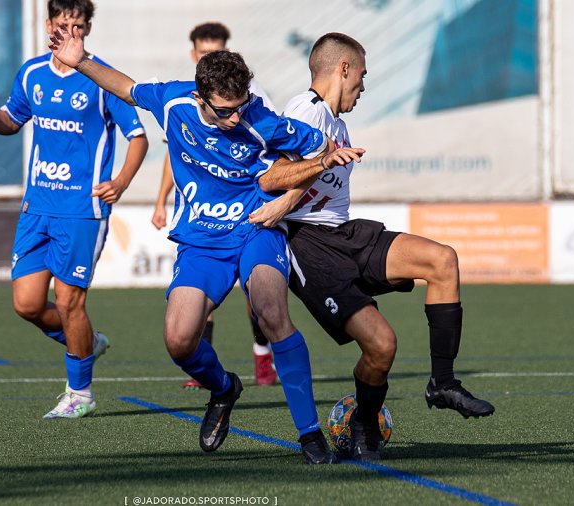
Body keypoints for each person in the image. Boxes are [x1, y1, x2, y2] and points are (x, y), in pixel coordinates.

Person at [49, 24, 362, 464]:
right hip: (201, 241)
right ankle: (224, 388)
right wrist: (81, 60)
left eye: (240, 108)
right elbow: (126, 87)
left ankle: (310, 435)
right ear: (200, 98)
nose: (236, 119)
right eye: (225, 111)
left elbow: (316, 151)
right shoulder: (174, 101)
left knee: (272, 312)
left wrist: (292, 193)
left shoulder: (259, 118)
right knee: (178, 340)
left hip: (256, 228)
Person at [249, 32, 495, 461]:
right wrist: (294, 194)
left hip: (345, 234)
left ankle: (443, 383)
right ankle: (364, 421)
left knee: (442, 261)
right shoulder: (305, 112)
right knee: (382, 346)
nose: (363, 88)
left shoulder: (336, 123)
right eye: (361, 77)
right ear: (343, 69)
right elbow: (270, 178)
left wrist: (312, 174)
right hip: (310, 245)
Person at [0, 0, 148, 419]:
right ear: (49, 25)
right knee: (27, 304)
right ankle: (86, 343)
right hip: (38, 206)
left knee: (70, 303)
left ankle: (80, 394)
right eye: (63, 24)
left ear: (86, 29)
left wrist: (120, 182)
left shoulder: (102, 78)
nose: (69, 32)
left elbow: (137, 136)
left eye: (78, 26)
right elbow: (11, 121)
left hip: (81, 210)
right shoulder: (32, 74)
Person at [150, 22, 277, 390]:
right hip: (205, 221)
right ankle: (203, 366)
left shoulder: (256, 98)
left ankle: (262, 354)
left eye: (216, 50)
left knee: (256, 297)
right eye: (203, 52)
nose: (208, 56)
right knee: (199, 294)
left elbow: (276, 150)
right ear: (194, 55)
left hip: (248, 215)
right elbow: (174, 155)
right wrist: (160, 202)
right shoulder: (188, 101)